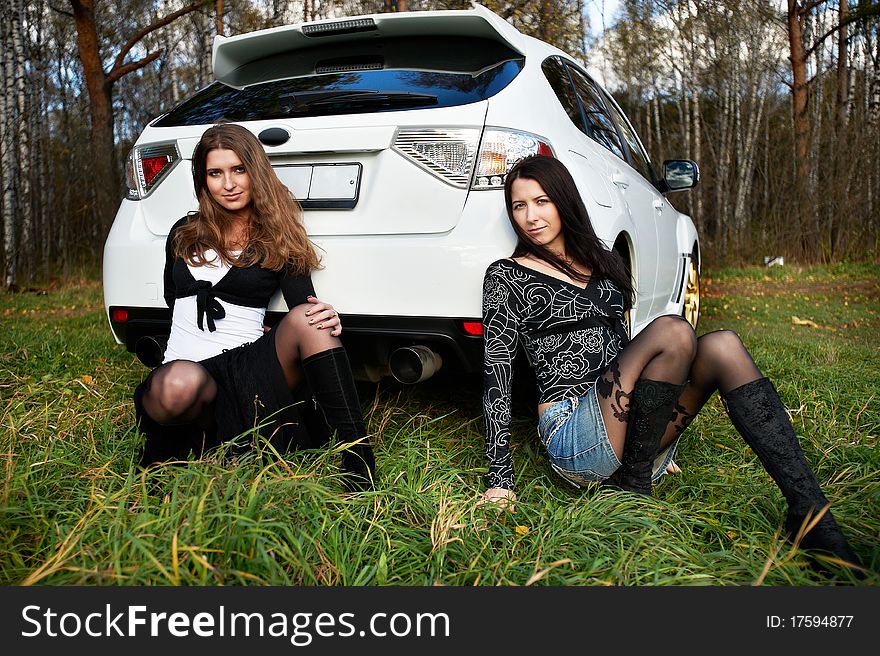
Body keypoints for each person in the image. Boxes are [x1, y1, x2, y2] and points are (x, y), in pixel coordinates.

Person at [478, 154, 861, 572]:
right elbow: (497, 376)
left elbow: (620, 347)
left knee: (723, 345)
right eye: (519, 206)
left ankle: (811, 515)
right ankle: (635, 484)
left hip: (632, 432)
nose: (531, 216)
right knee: (674, 331)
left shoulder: (604, 262)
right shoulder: (506, 276)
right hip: (575, 436)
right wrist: (500, 482)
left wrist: (651, 426)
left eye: (542, 201)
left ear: (564, 201)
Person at [133, 123, 375, 491]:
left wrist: (322, 316)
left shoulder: (278, 236)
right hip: (184, 371)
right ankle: (169, 462)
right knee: (180, 383)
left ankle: (360, 467)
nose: (228, 184)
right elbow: (173, 299)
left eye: (238, 170)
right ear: (203, 178)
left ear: (255, 171)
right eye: (216, 173)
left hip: (246, 373)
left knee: (311, 320)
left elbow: (302, 308)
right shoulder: (184, 231)